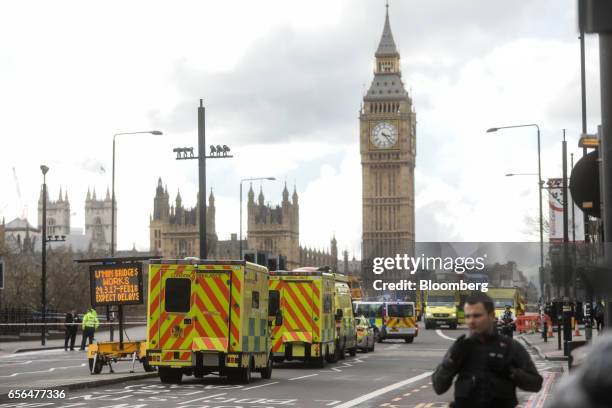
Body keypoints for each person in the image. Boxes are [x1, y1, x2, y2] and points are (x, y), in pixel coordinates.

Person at [432, 292, 542, 408]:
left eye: (477, 316)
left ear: (491, 315)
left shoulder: (510, 347)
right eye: (468, 316)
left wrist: (511, 372)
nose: (471, 321)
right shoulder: (461, 347)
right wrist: (450, 362)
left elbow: (535, 383)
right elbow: (438, 387)